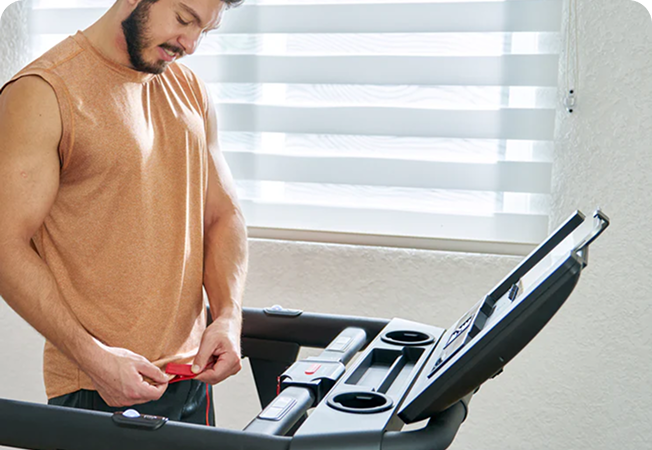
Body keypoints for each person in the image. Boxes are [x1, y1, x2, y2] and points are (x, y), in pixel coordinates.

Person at [0, 0, 248, 426]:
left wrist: (227, 317)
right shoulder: (43, 93)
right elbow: (6, 245)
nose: (190, 44)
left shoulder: (188, 88)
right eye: (184, 19)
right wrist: (93, 358)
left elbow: (222, 216)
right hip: (99, 386)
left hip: (190, 378)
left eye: (204, 31)